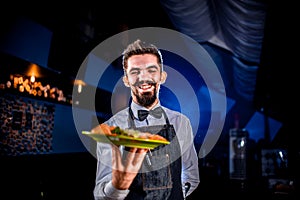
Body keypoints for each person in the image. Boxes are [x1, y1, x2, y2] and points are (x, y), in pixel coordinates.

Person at [92, 39, 200, 200]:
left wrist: (177, 195)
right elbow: (100, 195)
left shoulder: (181, 123)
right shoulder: (112, 127)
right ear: (126, 80)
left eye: (151, 70)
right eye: (135, 72)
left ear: (162, 76)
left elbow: (191, 175)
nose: (144, 78)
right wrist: (117, 186)